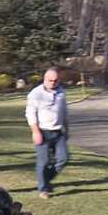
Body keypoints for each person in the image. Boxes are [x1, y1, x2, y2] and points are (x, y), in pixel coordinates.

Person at [25, 67, 69, 199]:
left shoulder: (61, 92)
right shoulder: (36, 94)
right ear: (44, 79)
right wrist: (35, 131)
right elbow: (30, 113)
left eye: (56, 81)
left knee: (63, 159)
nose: (53, 83)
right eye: (50, 80)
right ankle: (43, 189)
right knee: (43, 162)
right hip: (42, 131)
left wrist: (67, 129)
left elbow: (64, 113)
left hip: (58, 131)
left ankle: (45, 179)